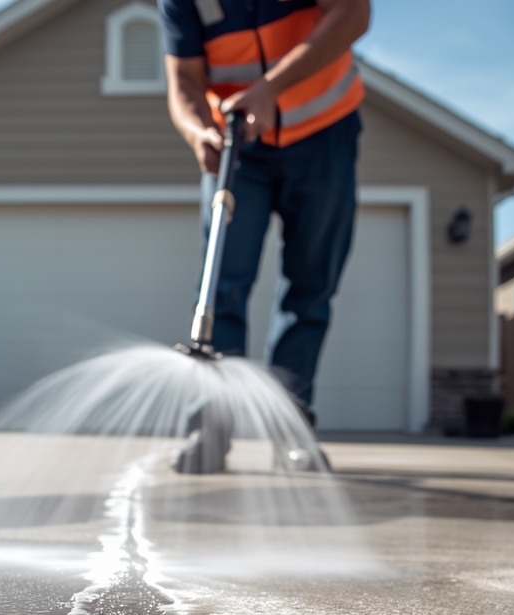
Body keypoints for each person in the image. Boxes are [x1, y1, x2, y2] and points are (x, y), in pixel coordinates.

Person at [158, 0, 371, 425]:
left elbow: (353, 13)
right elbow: (183, 81)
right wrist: (197, 130)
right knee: (221, 285)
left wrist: (271, 86)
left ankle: (289, 424)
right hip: (239, 150)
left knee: (309, 289)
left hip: (323, 135)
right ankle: (213, 422)